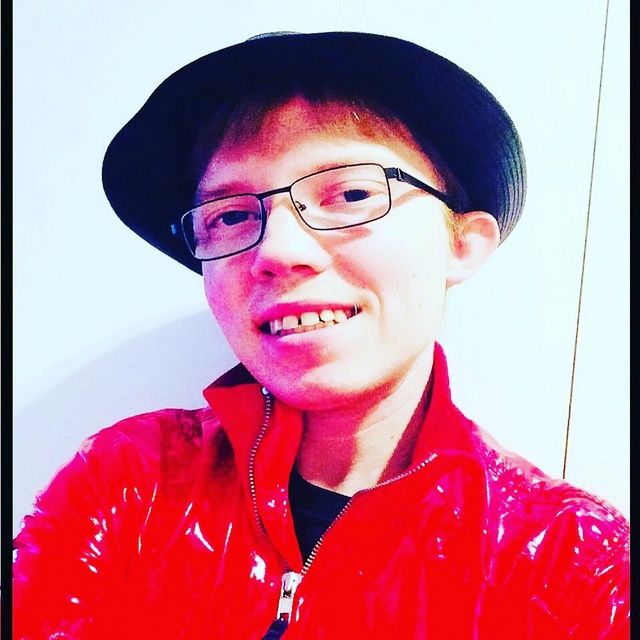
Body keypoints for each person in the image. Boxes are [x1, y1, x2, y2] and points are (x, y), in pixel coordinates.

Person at [13, 31, 629, 639]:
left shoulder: (573, 561)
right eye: (230, 215)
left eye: (352, 193)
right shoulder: (127, 484)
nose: (278, 251)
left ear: (461, 245)